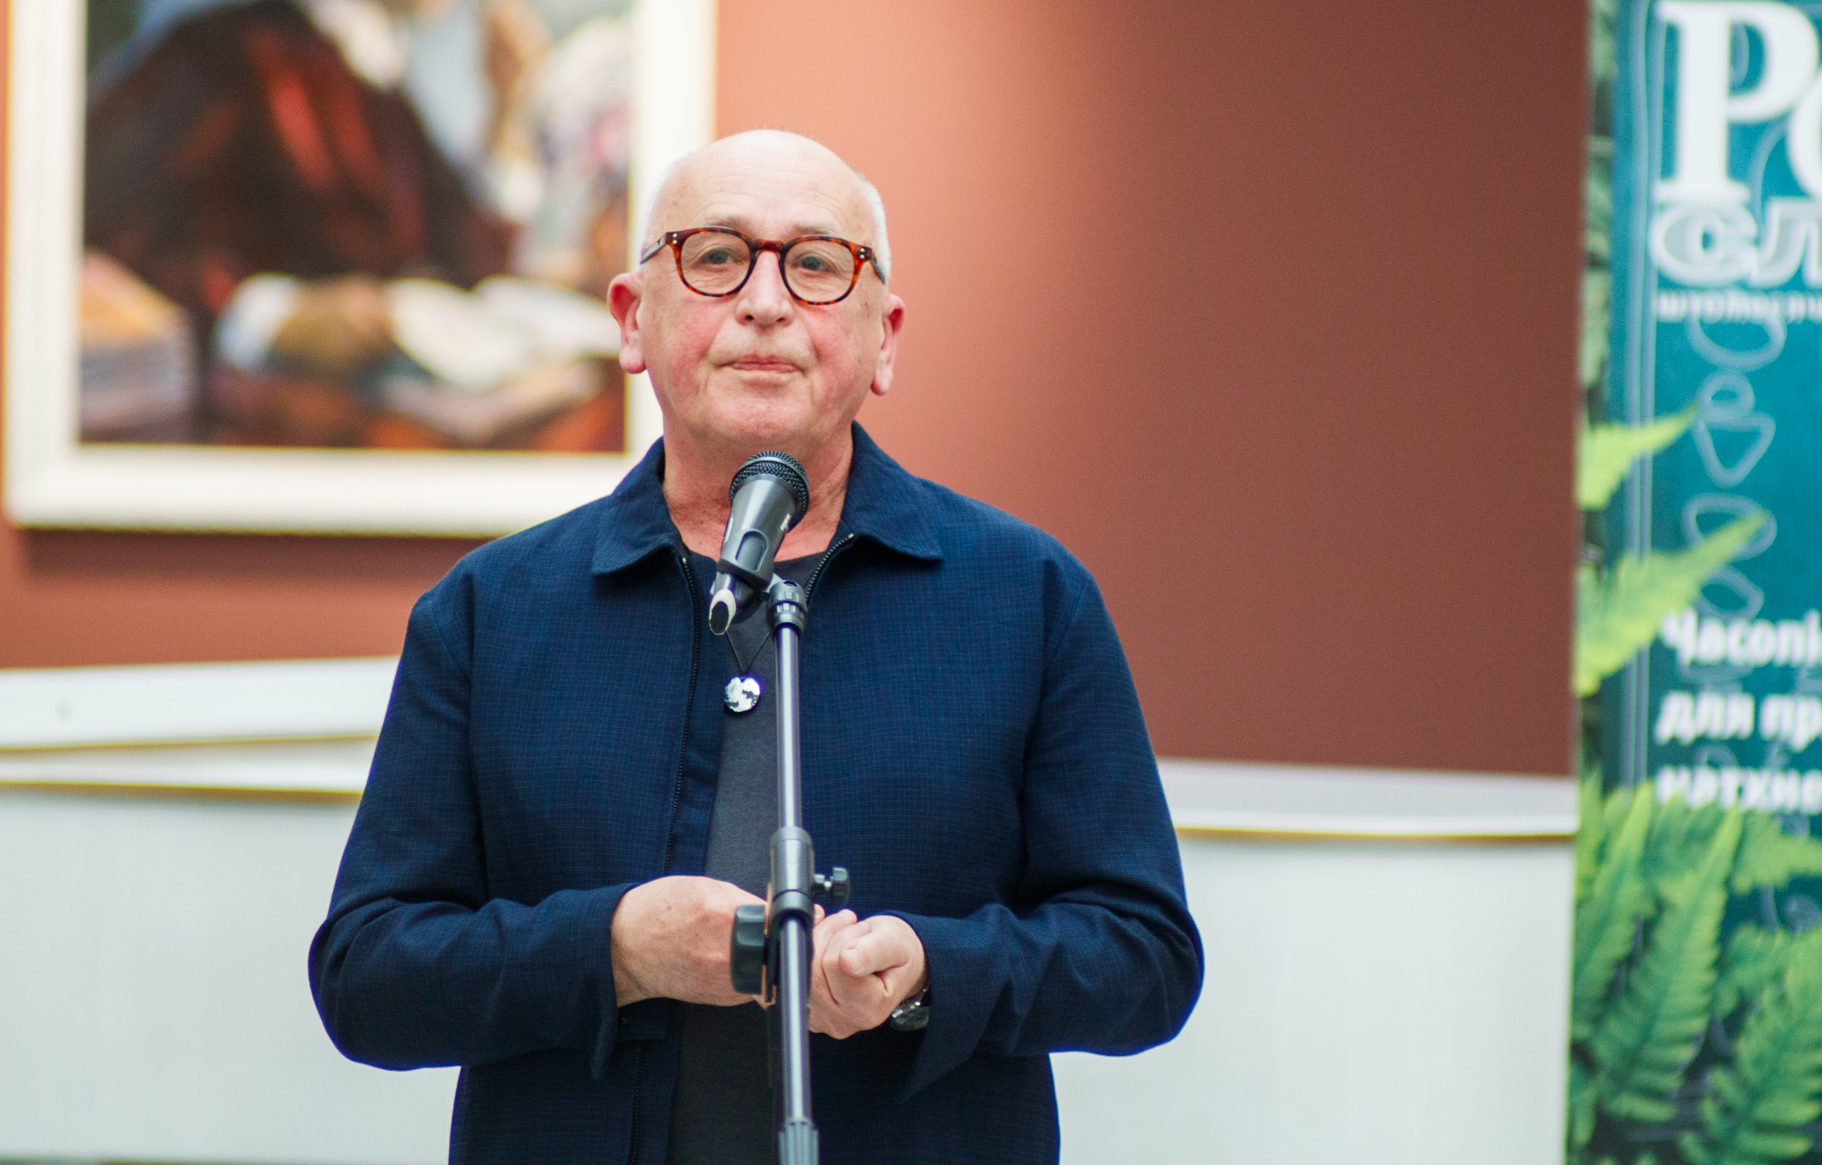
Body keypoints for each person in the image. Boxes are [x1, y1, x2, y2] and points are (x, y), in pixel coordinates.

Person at [308, 130, 1202, 1163]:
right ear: (631, 320)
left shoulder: (1024, 596)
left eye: (816, 263)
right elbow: (368, 974)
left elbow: (1144, 954)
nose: (766, 302)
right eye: (717, 256)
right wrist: (613, 951)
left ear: (886, 338)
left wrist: (929, 969)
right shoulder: (490, 610)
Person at [83, 0, 548, 433]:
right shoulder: (232, 50)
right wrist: (279, 317)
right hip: (234, 419)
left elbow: (463, 263)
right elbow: (99, 221)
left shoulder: (377, 79)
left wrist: (507, 112)